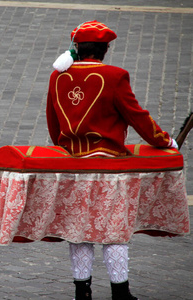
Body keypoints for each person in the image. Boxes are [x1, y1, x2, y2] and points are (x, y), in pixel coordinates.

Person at [46, 21, 178, 300]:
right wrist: (164, 141)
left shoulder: (57, 76)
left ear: (78, 49)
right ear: (105, 49)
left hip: (72, 165)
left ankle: (81, 292)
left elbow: (53, 123)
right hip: (108, 168)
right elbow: (137, 117)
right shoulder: (115, 76)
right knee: (113, 230)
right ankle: (120, 293)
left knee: (78, 231)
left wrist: (66, 148)